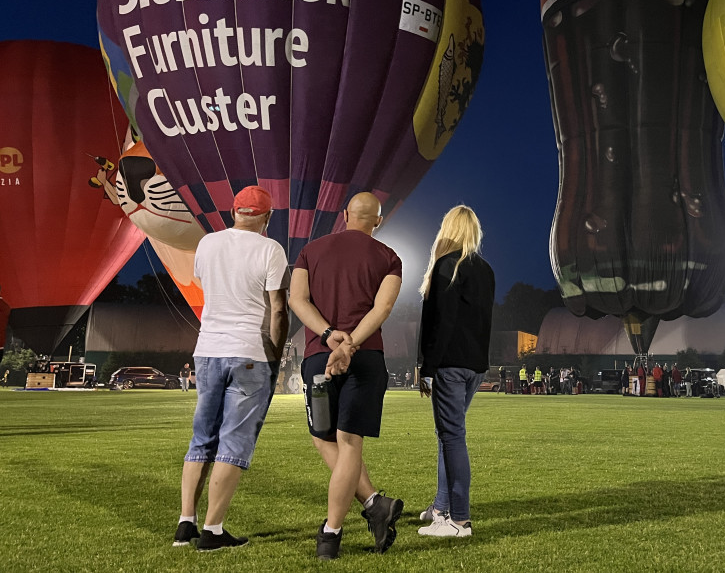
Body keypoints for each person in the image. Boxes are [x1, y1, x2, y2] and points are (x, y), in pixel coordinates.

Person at [289, 192, 404, 560]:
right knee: (348, 442)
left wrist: (329, 336)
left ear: (344, 215)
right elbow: (382, 307)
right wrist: (351, 344)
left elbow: (297, 300)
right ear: (378, 222)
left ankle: (333, 532)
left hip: (318, 357)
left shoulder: (311, 250)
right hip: (367, 356)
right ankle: (371, 506)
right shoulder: (389, 257)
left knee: (324, 439)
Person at [174, 186, 289, 551]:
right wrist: (276, 351)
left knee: (201, 438)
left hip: (207, 349)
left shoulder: (208, 243)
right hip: (248, 350)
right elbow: (279, 309)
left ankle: (185, 523)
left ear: (234, 210)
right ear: (267, 218)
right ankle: (213, 530)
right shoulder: (271, 249)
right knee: (234, 441)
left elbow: (209, 286)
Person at [416, 205, 494, 538]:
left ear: (447, 230)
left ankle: (459, 520)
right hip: (475, 364)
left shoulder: (447, 266)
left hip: (450, 364)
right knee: (448, 436)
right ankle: (440, 506)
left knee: (452, 437)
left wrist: (427, 367)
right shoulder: (485, 269)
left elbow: (441, 322)